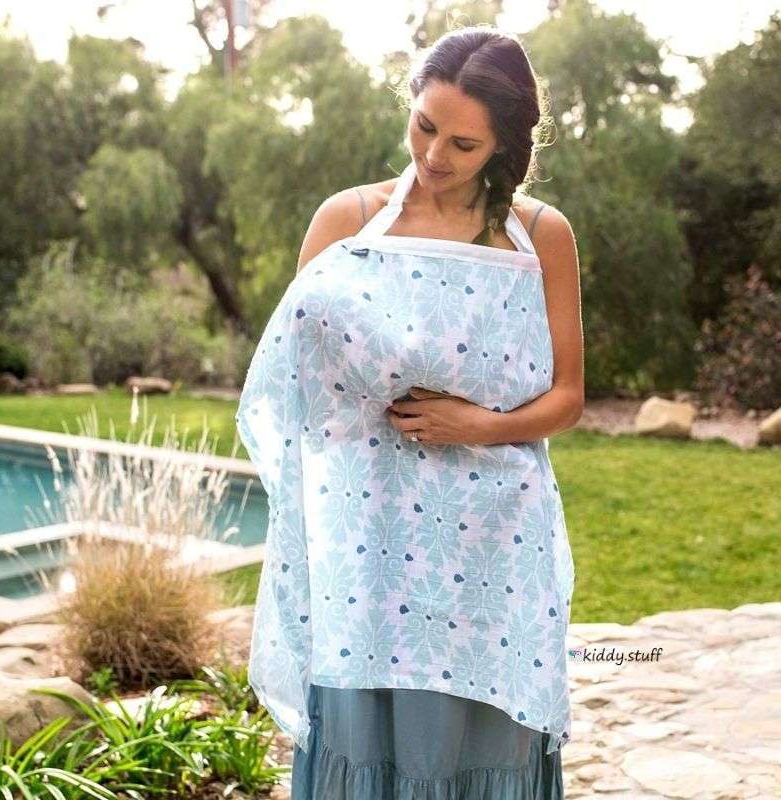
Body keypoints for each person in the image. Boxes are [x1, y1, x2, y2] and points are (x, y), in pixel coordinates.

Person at [264, 24, 583, 800]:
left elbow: (569, 397)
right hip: (367, 533)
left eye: (463, 144)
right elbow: (291, 375)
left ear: (504, 145)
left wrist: (481, 426)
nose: (435, 155)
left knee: (479, 730)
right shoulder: (345, 222)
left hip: (494, 539)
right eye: (424, 126)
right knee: (360, 727)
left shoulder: (540, 236)